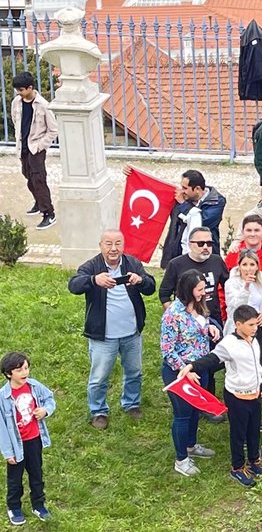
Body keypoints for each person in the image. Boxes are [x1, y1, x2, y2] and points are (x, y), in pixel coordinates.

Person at [68, 230, 156, 429]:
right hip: (103, 336)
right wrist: (93, 280)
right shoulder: (91, 266)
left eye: (118, 243)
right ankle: (98, 411)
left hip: (131, 333)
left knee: (134, 372)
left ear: (123, 246)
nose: (113, 248)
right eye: (108, 244)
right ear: (100, 246)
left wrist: (140, 280)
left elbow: (151, 287)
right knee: (99, 377)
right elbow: (73, 285)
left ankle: (131, 404)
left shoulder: (132, 264)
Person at [177, 304, 262, 487]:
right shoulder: (229, 344)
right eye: (251, 325)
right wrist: (191, 366)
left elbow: (257, 364)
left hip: (254, 394)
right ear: (238, 324)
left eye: (255, 324)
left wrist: (261, 385)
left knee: (253, 431)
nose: (255, 328)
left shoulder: (254, 339)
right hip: (237, 396)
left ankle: (253, 460)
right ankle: (237, 468)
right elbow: (211, 359)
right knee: (238, 433)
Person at [160, 270, 222, 477]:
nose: (204, 293)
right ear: (188, 289)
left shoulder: (199, 307)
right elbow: (167, 349)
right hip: (179, 373)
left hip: (200, 368)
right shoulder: (173, 314)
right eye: (200, 289)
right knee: (183, 414)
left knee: (196, 409)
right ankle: (181, 459)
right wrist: (183, 370)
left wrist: (212, 329)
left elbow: (203, 325)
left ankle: (191, 445)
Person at [1, 352, 55, 524]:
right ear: (9, 374)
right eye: (19, 370)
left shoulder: (34, 386)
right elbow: (1, 428)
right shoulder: (3, 397)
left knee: (37, 474)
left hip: (34, 440)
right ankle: (14, 507)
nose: (25, 372)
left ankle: (38, 505)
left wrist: (45, 410)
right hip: (16, 445)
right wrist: (8, 452)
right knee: (15, 479)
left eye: (26, 368)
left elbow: (49, 398)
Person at [11, 72, 57, 231]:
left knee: (39, 179)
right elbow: (15, 121)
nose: (19, 93)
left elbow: (53, 130)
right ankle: (39, 202)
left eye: (22, 90)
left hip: (36, 149)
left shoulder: (43, 105)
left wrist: (39, 146)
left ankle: (48, 213)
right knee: (28, 176)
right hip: (23, 147)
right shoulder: (16, 102)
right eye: (18, 90)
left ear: (30, 88)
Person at [160, 169, 227, 267]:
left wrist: (183, 205)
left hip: (204, 254)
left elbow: (200, 223)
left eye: (185, 188)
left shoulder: (216, 202)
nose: (182, 191)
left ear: (197, 189)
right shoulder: (183, 198)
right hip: (178, 254)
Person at [160, 227, 228, 321]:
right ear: (190, 244)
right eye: (200, 243)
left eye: (209, 243)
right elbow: (164, 294)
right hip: (186, 320)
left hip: (213, 318)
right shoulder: (176, 264)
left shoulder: (217, 261)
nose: (205, 247)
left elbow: (228, 286)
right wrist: (176, 316)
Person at [224, 250, 262, 335]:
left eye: (252, 265)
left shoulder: (260, 281)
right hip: (238, 329)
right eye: (244, 265)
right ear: (239, 266)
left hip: (257, 327)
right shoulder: (231, 283)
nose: (248, 269)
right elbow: (235, 306)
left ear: (257, 267)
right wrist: (246, 287)